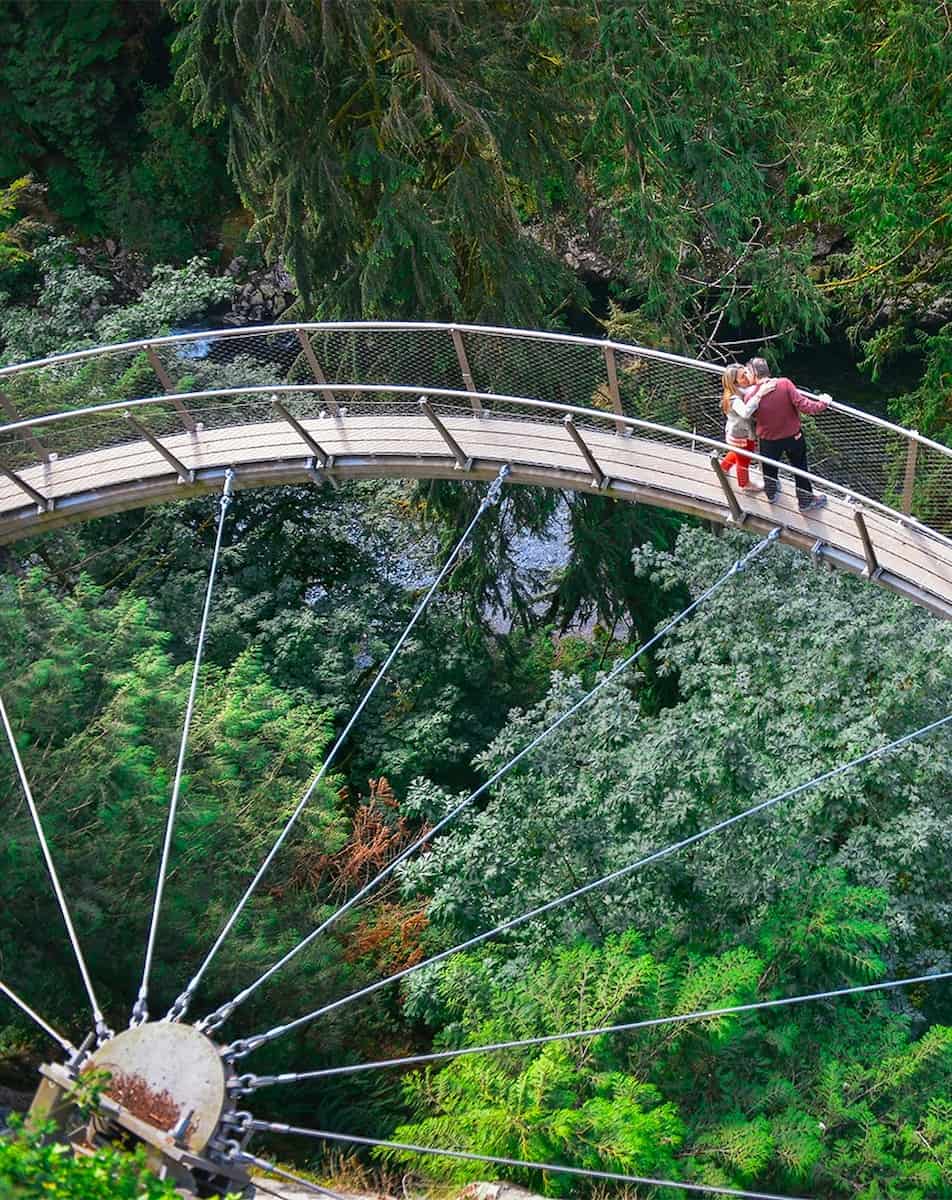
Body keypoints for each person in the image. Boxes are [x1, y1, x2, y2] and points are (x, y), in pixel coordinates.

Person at [746, 356, 832, 511]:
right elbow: (805, 406)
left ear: (754, 373)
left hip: (768, 440)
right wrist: (823, 403)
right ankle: (805, 502)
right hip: (793, 437)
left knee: (769, 468)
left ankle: (771, 494)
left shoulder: (751, 396)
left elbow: (750, 415)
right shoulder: (784, 384)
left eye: (748, 372)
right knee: (800, 468)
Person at [719, 364, 766, 492]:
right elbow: (745, 412)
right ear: (735, 382)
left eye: (746, 373)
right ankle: (744, 483)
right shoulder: (734, 399)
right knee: (744, 459)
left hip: (735, 433)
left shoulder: (737, 391)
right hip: (741, 436)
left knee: (737, 453)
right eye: (742, 376)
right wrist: (759, 395)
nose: (746, 377)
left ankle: (723, 467)